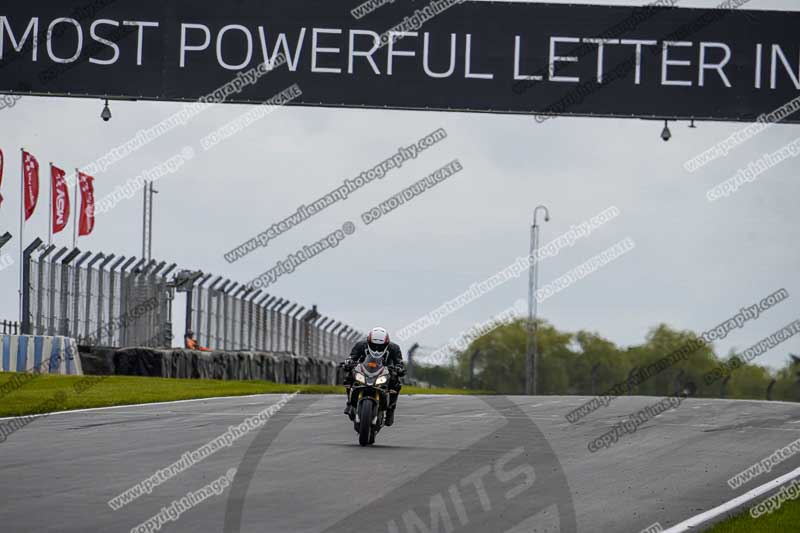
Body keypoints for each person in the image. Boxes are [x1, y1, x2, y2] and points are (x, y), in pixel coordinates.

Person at [342, 327, 405, 426]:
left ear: (386, 344)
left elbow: (399, 362)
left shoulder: (394, 348)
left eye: (380, 346)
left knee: (396, 382)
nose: (376, 349)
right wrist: (348, 362)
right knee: (349, 375)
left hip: (386, 370)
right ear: (368, 341)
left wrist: (399, 368)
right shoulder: (361, 345)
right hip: (364, 368)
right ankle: (350, 402)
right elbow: (352, 357)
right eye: (373, 345)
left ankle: (390, 409)